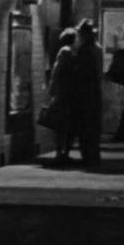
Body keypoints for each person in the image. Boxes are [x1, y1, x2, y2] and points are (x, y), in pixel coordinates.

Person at [72, 18, 103, 166]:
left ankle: (87, 156)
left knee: (85, 125)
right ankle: (94, 155)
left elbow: (82, 71)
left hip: (85, 91)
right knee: (93, 125)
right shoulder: (98, 48)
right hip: (95, 91)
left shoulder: (85, 50)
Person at [45, 27, 78, 164]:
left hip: (63, 92)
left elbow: (56, 72)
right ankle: (62, 152)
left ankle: (61, 151)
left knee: (63, 125)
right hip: (66, 93)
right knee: (65, 124)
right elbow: (60, 72)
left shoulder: (64, 51)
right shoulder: (67, 52)